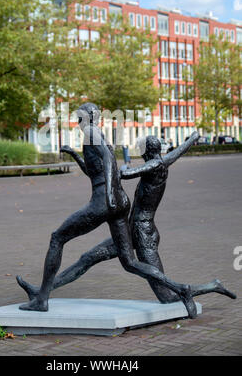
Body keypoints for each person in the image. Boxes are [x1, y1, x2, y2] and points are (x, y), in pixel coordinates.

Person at [17, 103, 198, 316]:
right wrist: (74, 155)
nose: (77, 121)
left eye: (79, 117)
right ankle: (181, 289)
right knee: (129, 262)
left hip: (105, 201)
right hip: (120, 203)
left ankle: (42, 299)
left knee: (57, 238)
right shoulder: (96, 134)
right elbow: (95, 171)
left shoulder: (91, 132)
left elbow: (105, 160)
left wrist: (110, 193)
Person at [18, 132, 236, 305]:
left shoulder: (154, 165)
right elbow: (178, 152)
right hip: (131, 228)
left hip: (143, 233)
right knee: (88, 258)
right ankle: (42, 291)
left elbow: (126, 173)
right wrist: (193, 138)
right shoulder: (163, 161)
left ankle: (208, 286)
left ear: (147, 152)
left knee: (166, 296)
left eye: (141, 149)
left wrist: (121, 166)